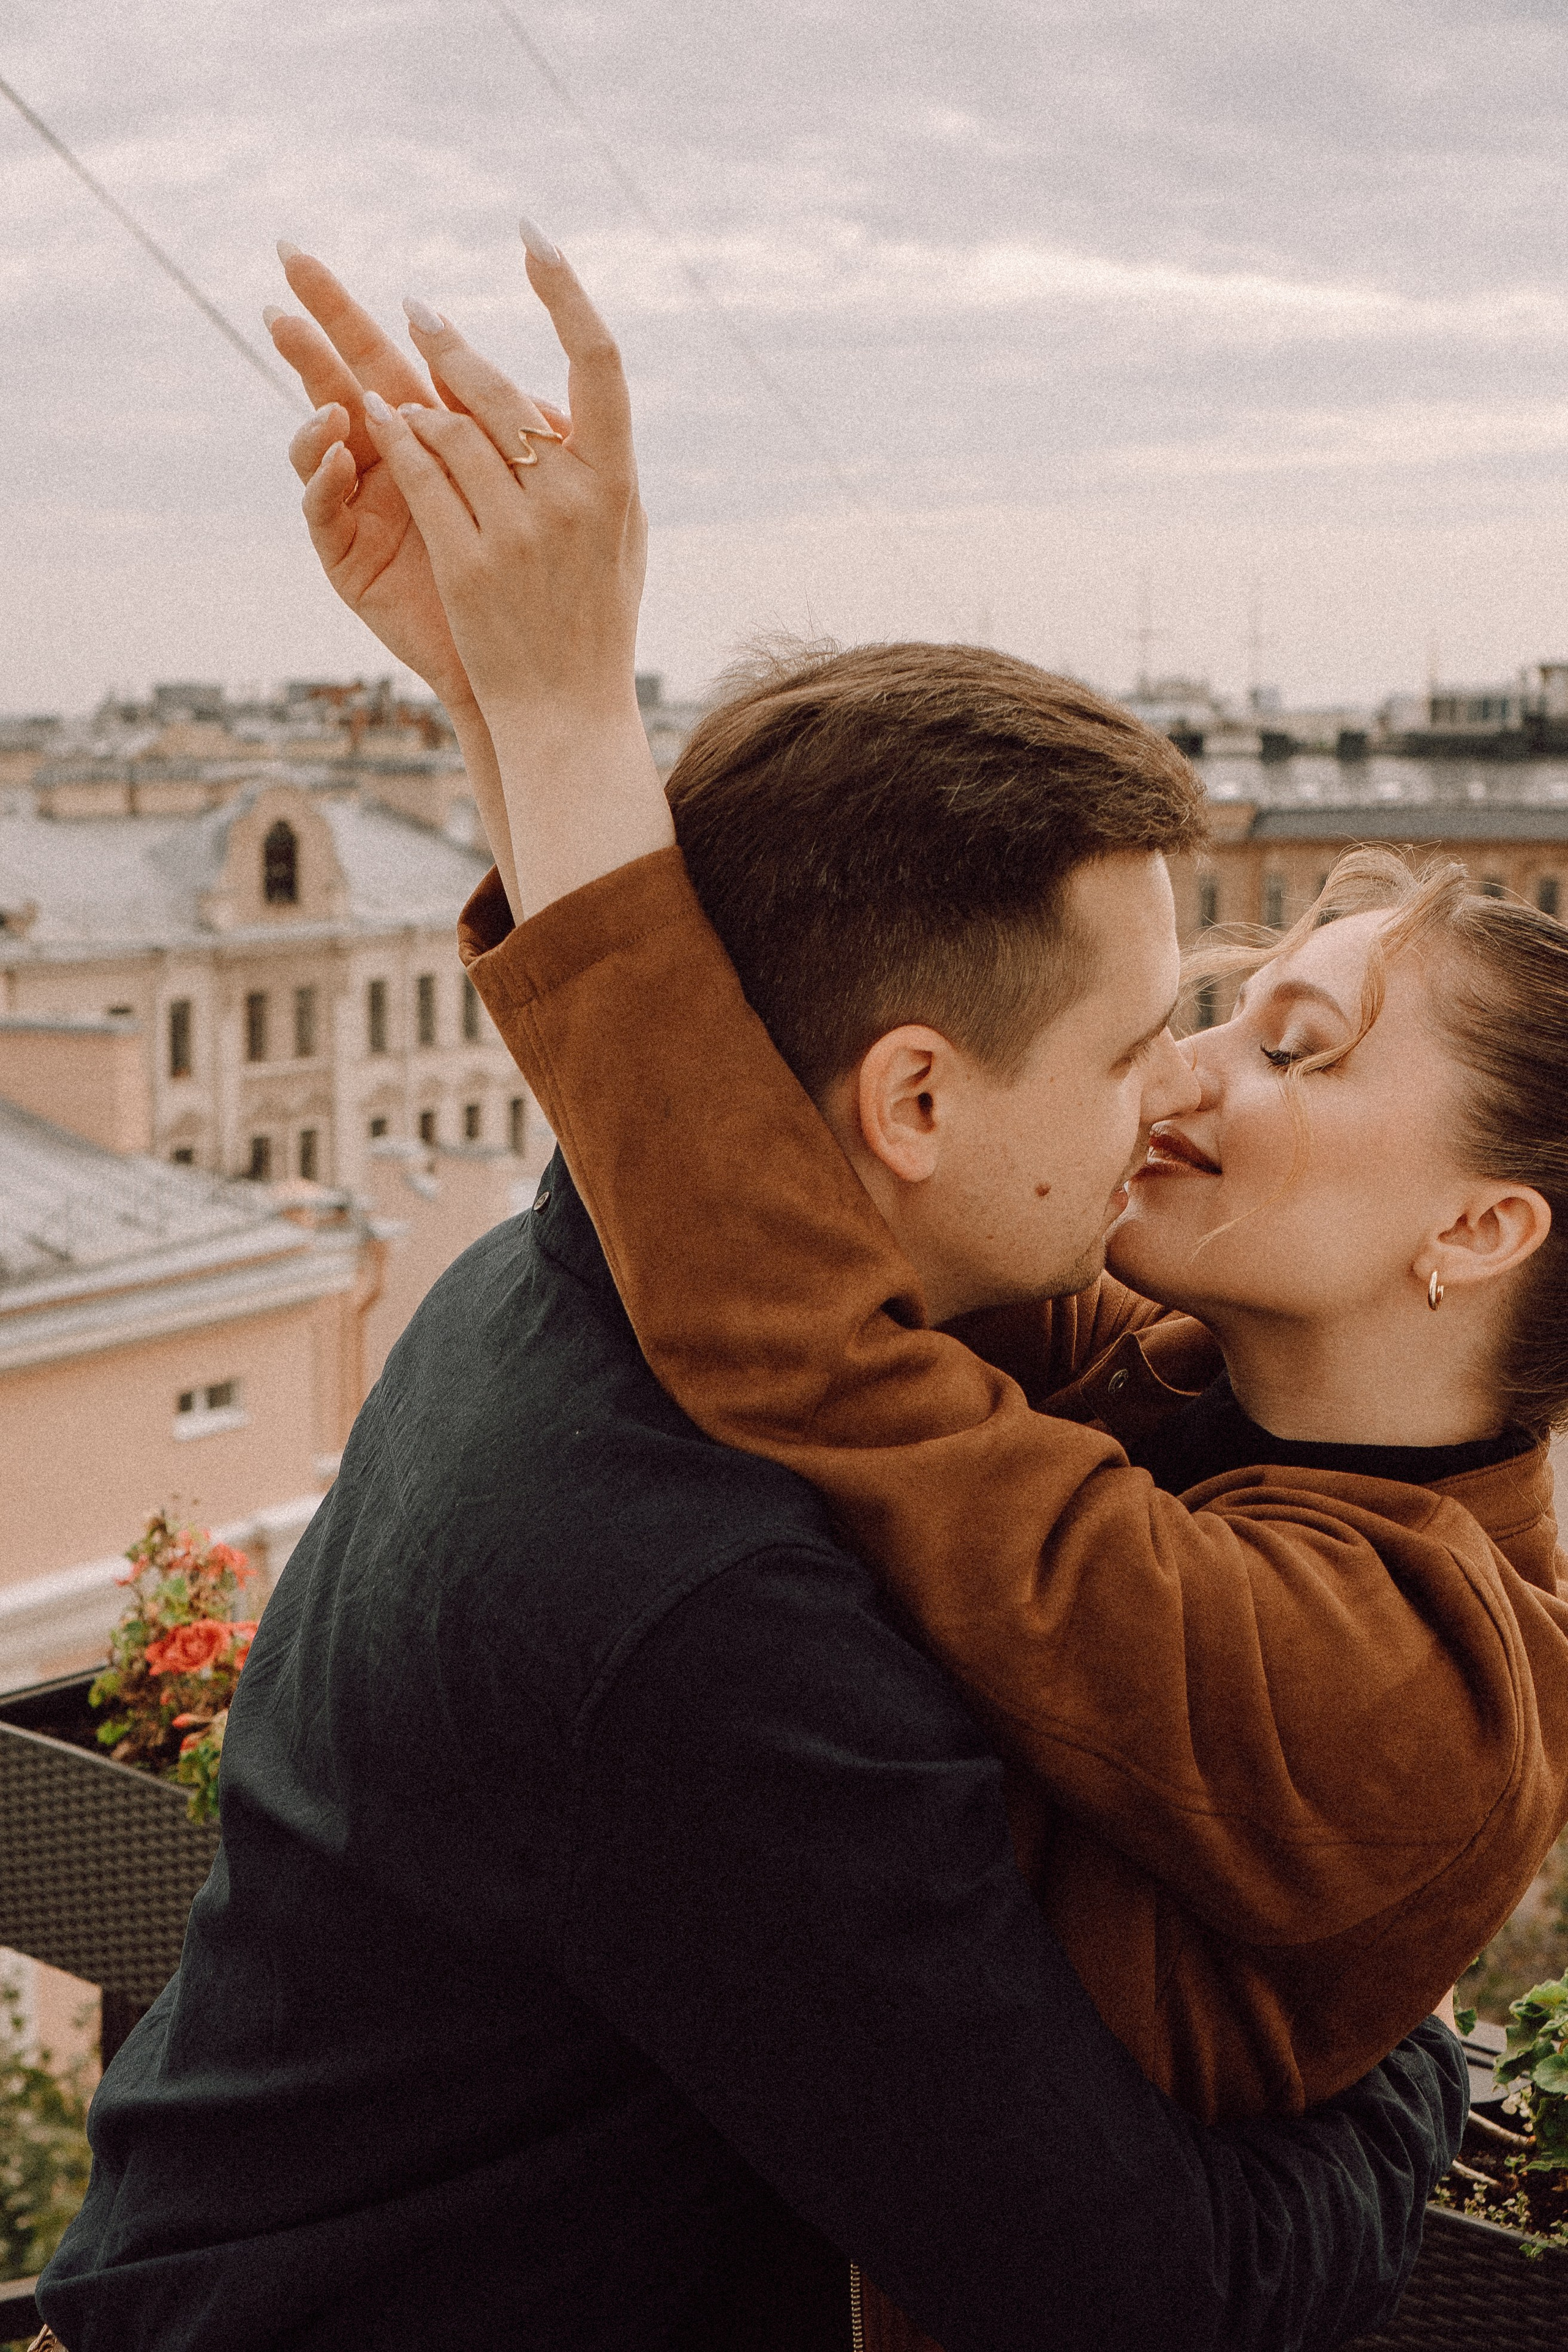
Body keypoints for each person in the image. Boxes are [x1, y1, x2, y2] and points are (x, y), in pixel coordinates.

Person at [31, 236, 1472, 2352]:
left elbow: (672, 1075)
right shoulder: (712, 1604)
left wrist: (530, 702)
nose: (1182, 1088)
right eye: (1143, 1033)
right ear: (910, 1102)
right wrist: (1397, 2059)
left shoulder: (575, 1269)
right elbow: (1122, 2286)